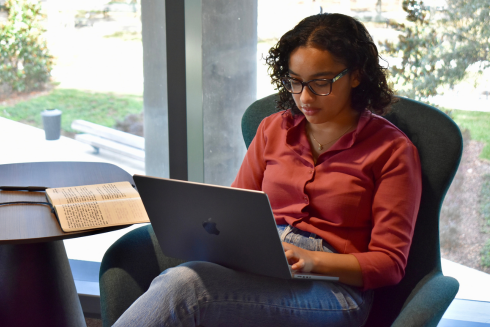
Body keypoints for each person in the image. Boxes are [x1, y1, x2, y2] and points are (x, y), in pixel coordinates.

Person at [113, 13, 422, 327]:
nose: (305, 97)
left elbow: (390, 263)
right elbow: (232, 211)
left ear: (355, 75)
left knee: (186, 287)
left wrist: (313, 260)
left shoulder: (392, 151)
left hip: (334, 289)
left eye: (321, 83)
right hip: (263, 264)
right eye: (296, 82)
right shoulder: (273, 129)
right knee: (181, 280)